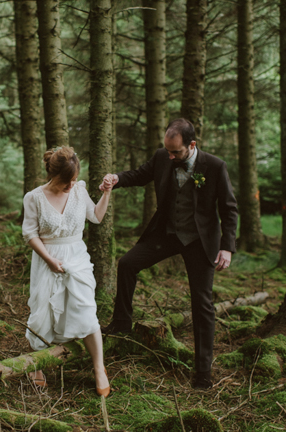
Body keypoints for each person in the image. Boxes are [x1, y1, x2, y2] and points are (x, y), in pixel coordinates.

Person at [100, 118, 238, 389]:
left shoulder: (215, 166)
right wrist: (116, 179)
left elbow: (229, 209)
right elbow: (140, 175)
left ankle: (202, 374)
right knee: (127, 264)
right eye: (168, 150)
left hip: (199, 241)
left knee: (202, 304)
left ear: (192, 145)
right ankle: (121, 325)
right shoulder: (163, 157)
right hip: (166, 234)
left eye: (176, 152)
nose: (171, 156)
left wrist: (227, 246)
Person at [22, 146, 113, 396]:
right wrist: (49, 259)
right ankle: (37, 364)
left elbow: (95, 217)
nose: (71, 186)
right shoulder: (34, 198)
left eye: (73, 180)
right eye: (66, 181)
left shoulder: (79, 190)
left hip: (77, 259)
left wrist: (107, 193)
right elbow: (30, 234)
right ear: (55, 176)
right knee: (43, 311)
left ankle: (99, 367)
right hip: (47, 259)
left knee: (86, 309)